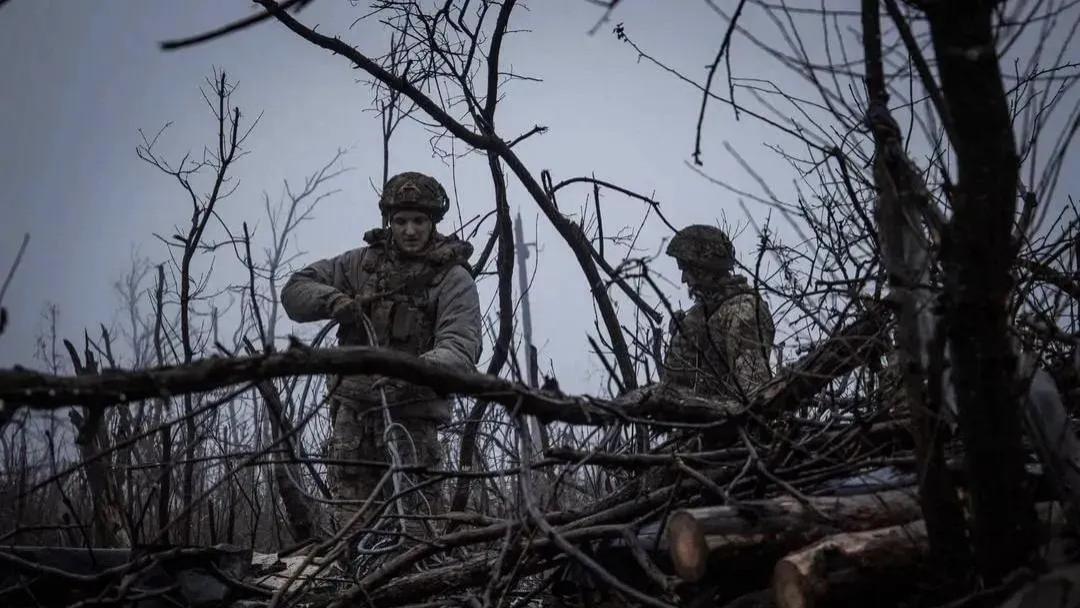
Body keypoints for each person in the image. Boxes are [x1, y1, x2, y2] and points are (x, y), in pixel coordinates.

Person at [281, 171, 482, 542]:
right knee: (352, 535)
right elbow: (295, 291)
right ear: (389, 220)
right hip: (353, 424)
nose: (410, 230)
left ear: (433, 222)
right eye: (400, 221)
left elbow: (459, 349)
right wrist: (334, 301)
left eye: (418, 220)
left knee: (415, 536)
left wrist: (408, 373)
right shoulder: (360, 265)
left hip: (413, 425)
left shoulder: (453, 279)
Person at [662, 224, 775, 405]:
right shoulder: (702, 315)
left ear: (703, 268)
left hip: (727, 420)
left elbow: (754, 394)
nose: (683, 279)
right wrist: (682, 339)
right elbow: (674, 391)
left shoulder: (742, 311)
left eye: (686, 268)